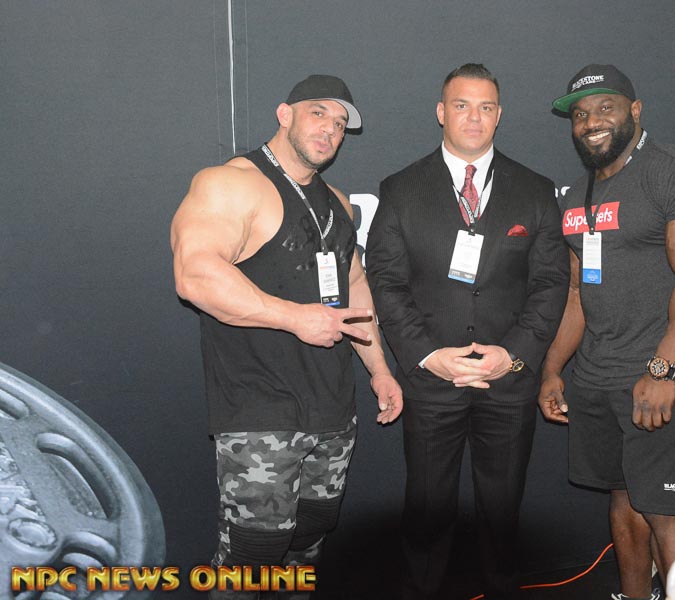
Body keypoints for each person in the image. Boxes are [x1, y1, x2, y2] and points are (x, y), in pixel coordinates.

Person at [171, 74, 402, 598]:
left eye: (340, 123)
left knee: (309, 541)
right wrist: (294, 317)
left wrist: (380, 371)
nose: (330, 130)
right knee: (251, 560)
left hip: (332, 411)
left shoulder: (337, 203)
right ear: (284, 113)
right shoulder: (231, 183)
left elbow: (354, 286)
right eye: (319, 113)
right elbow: (195, 274)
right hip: (261, 413)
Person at [365, 63, 568, 599]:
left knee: (503, 517)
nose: (473, 118)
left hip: (508, 383)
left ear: (499, 115)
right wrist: (427, 355)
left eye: (485, 107)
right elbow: (386, 282)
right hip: (432, 384)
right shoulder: (401, 189)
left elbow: (551, 285)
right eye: (461, 105)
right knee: (426, 515)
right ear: (441, 112)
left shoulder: (536, 190)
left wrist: (514, 356)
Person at [539, 64, 675, 600]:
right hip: (599, 377)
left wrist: (662, 369)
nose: (591, 122)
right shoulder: (576, 195)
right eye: (580, 115)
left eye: (605, 108)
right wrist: (553, 368)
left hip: (662, 375)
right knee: (625, 501)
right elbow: (578, 292)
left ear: (635, 110)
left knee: (669, 513)